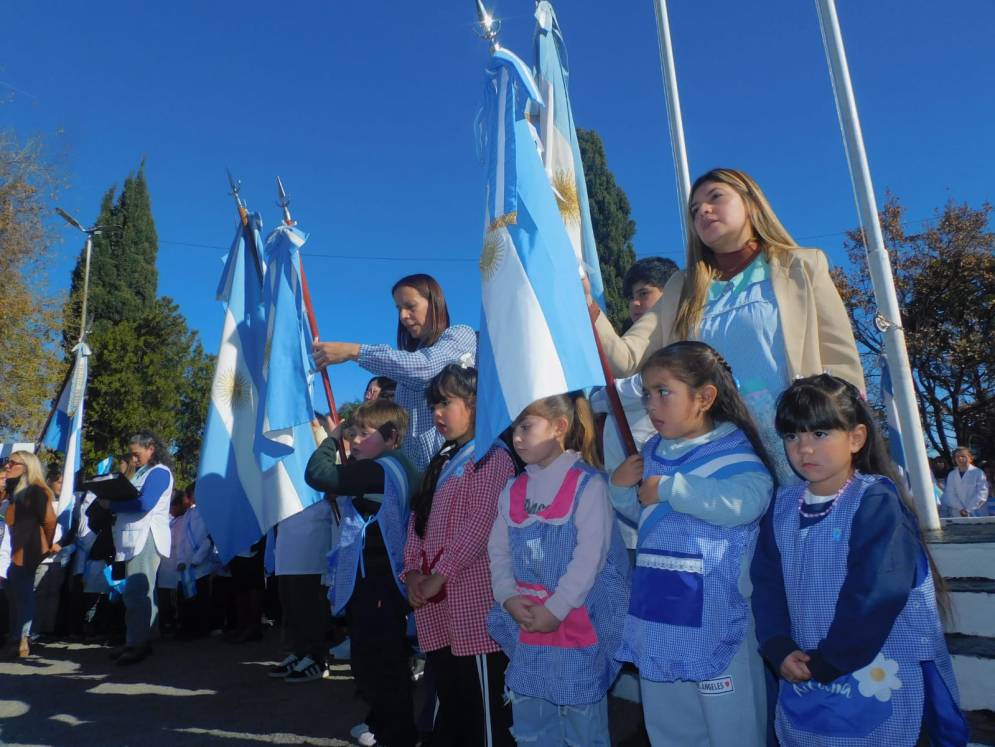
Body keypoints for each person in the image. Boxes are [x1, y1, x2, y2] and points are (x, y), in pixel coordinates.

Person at [588, 168, 864, 484]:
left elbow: (842, 362)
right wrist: (588, 307)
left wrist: (840, 434)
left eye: (715, 197)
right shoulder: (681, 287)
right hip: (717, 461)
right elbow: (624, 360)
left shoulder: (802, 265)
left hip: (801, 449)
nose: (703, 211)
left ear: (751, 204)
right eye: (694, 210)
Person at [751, 374, 967, 746]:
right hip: (805, 666)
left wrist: (829, 662)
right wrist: (778, 646)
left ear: (856, 437)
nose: (804, 449)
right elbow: (767, 584)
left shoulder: (874, 502)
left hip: (872, 666)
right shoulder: (782, 506)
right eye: (792, 436)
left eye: (820, 434)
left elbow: (873, 595)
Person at [611, 342, 774, 746]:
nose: (652, 404)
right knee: (670, 727)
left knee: (731, 729)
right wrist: (619, 490)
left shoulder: (733, 450)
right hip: (657, 613)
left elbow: (748, 501)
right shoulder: (650, 453)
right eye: (647, 394)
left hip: (715, 616)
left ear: (704, 398)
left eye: (663, 391)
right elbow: (646, 521)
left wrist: (670, 488)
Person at [488, 393, 629, 746]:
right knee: (534, 726)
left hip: (575, 624)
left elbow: (591, 557)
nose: (516, 437)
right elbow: (498, 550)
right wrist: (506, 595)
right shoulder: (512, 489)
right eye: (513, 428)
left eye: (526, 426)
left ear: (560, 427)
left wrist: (557, 607)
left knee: (583, 728)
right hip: (528, 624)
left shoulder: (588, 484)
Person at [402, 364, 516, 746]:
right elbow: (417, 521)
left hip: (475, 602)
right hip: (436, 604)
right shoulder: (443, 460)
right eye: (433, 404)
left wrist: (440, 573)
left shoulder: (492, 457)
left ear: (474, 403)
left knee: (484, 712)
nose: (436, 413)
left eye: (445, 402)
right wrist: (413, 573)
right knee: (453, 702)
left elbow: (480, 523)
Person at [306, 398, 420, 746]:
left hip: (379, 586)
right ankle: (387, 726)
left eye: (363, 433)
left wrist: (332, 437)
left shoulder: (379, 469)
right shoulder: (399, 465)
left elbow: (318, 474)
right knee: (385, 664)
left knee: (378, 666)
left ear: (392, 437)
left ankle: (395, 734)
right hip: (386, 585)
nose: (354, 441)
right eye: (351, 433)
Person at [312, 273, 477, 472]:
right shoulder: (405, 368)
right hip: (417, 483)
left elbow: (424, 368)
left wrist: (353, 351)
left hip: (455, 469)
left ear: (434, 304)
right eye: (399, 308)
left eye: (410, 306)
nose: (403, 316)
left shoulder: (460, 335)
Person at [104, 432, 174, 665]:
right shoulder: (143, 473)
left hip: (146, 537)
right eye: (131, 455)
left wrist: (112, 504)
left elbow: (145, 503)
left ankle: (136, 644)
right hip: (135, 537)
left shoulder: (159, 472)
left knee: (136, 591)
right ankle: (146, 637)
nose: (133, 460)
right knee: (146, 591)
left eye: (137, 454)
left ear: (151, 448)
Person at [3, 452, 58, 658]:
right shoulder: (18, 491)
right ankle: (17, 638)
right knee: (16, 594)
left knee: (23, 596)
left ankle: (20, 640)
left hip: (28, 551)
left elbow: (50, 521)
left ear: (26, 467)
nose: (7, 466)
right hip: (17, 550)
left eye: (12, 463)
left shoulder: (36, 491)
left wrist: (45, 545)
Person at [622, 256, 679, 331]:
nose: (634, 303)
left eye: (643, 293)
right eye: (631, 297)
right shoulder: (624, 340)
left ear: (671, 294)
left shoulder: (694, 336)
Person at [940, 447, 989, 518]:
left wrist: (968, 509)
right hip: (957, 512)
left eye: (963, 456)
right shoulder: (952, 474)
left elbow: (982, 493)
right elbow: (950, 494)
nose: (960, 459)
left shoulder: (978, 473)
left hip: (977, 512)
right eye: (957, 457)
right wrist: (960, 508)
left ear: (970, 458)